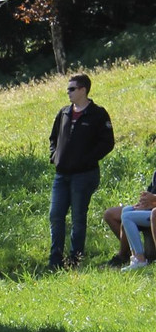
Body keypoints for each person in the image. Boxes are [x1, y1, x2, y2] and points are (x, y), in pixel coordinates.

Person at [48, 74, 115, 269]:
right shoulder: (64, 113)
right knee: (55, 215)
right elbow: (53, 138)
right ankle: (55, 259)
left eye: (71, 89)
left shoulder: (98, 114)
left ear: (83, 90)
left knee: (78, 216)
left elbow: (107, 142)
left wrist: (88, 159)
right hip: (61, 174)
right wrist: (54, 156)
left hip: (84, 175)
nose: (67, 92)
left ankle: (75, 259)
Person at [101, 170, 156, 267]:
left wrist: (153, 200)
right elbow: (150, 193)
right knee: (123, 211)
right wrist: (142, 203)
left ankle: (139, 259)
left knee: (127, 217)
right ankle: (130, 255)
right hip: (150, 209)